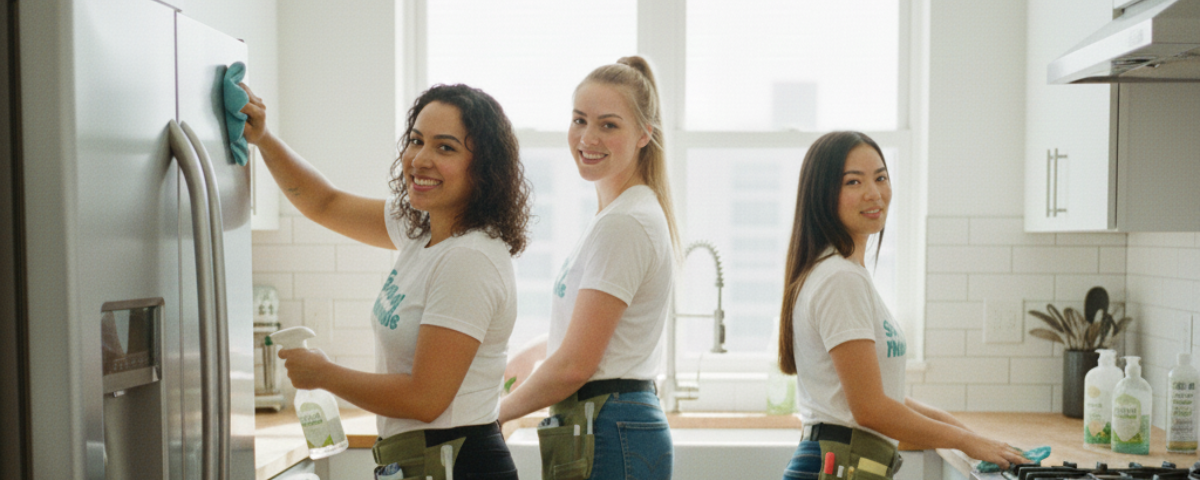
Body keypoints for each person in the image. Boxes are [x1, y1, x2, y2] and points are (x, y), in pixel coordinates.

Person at [240, 83, 531, 479]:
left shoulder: (470, 258)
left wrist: (324, 374)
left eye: (445, 148)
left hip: (458, 464)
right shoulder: (422, 231)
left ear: (483, 170)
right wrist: (263, 138)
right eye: (416, 141)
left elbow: (425, 398)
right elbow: (324, 203)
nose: (420, 159)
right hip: (424, 461)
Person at [777, 131, 1025, 480]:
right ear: (823, 194)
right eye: (853, 182)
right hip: (837, 468)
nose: (873, 193)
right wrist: (967, 442)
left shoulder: (846, 273)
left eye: (880, 177)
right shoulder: (839, 279)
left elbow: (883, 397)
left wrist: (969, 436)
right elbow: (870, 410)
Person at [499, 56, 677, 480]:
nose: (587, 137)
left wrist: (495, 416)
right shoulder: (617, 216)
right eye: (579, 119)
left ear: (644, 135)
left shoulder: (625, 222)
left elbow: (578, 365)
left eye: (608, 124)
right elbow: (589, 333)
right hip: (608, 424)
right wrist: (521, 363)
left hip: (609, 426)